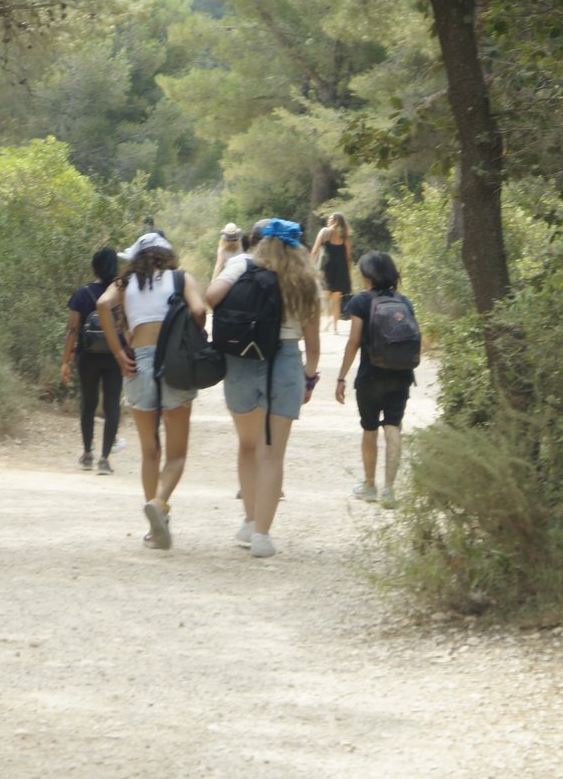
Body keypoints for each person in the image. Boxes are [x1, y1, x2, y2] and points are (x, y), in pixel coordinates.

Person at [206, 218, 320, 558]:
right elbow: (312, 346)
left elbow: (211, 297)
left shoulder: (240, 264)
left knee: (247, 445)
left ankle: (248, 518)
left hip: (241, 358)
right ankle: (262, 536)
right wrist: (309, 378)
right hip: (284, 361)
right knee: (272, 453)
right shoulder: (303, 280)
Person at [96, 231, 207, 550]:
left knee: (149, 451)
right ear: (168, 256)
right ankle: (159, 504)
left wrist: (118, 352)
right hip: (175, 364)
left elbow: (102, 304)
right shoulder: (181, 279)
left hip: (138, 363)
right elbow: (199, 311)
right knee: (176, 454)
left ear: (136, 258)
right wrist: (193, 334)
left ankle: (154, 529)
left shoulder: (125, 284)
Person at [334, 251, 415, 508]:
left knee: (369, 429)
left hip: (370, 376)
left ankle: (370, 486)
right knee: (393, 427)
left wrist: (341, 377)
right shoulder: (404, 301)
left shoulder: (360, 302)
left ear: (367, 275)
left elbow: (354, 342)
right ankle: (389, 490)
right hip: (401, 375)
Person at [61, 248, 123, 474]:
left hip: (87, 356)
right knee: (112, 404)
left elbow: (72, 329)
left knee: (88, 403)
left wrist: (65, 360)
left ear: (94, 267)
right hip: (115, 355)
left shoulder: (82, 293)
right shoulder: (120, 292)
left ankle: (87, 453)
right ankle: (105, 459)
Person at [310, 212, 354, 333]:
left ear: (335, 221)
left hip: (326, 268)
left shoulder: (324, 232)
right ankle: (335, 327)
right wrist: (348, 273)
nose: (328, 221)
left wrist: (310, 264)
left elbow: (315, 250)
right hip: (341, 269)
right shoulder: (344, 236)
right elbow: (349, 257)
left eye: (330, 219)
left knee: (324, 297)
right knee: (336, 299)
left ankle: (327, 319)